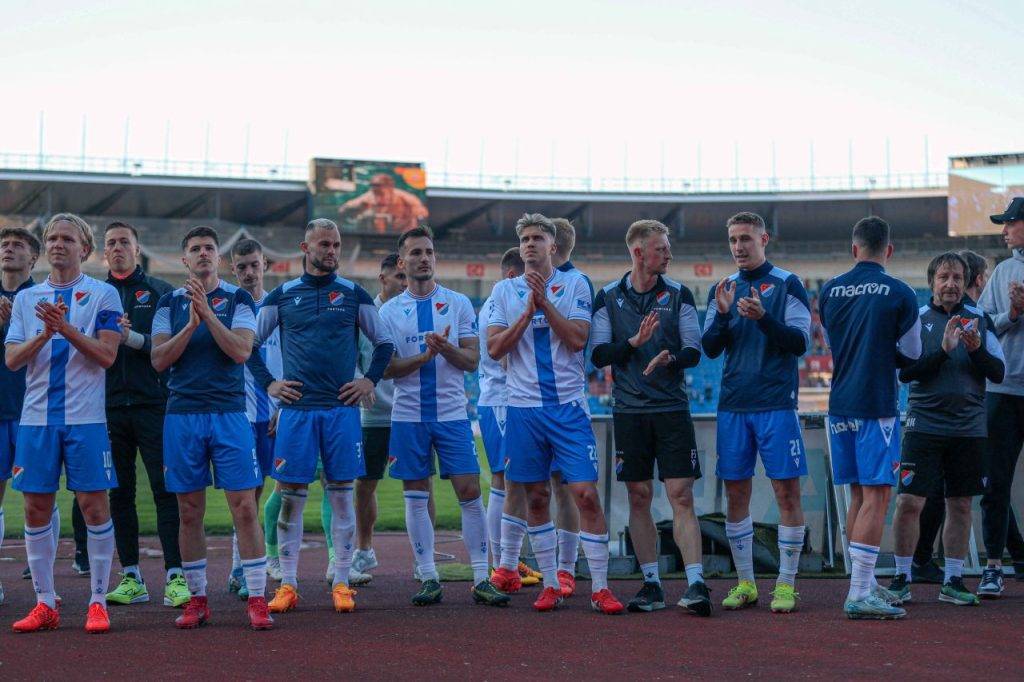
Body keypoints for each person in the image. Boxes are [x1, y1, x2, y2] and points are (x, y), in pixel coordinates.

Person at [253, 218, 394, 615]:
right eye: (324, 244)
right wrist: (270, 384)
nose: (332, 251)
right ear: (305, 248)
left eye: (336, 244)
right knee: (291, 499)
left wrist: (368, 381)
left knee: (342, 496)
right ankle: (289, 584)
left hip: (340, 412)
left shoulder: (354, 294)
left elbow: (384, 344)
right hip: (296, 412)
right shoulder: (282, 296)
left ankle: (343, 581)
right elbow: (250, 346)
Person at [487, 213, 624, 615]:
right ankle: (549, 583)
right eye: (525, 239)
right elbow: (495, 349)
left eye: (538, 238)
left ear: (553, 245)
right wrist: (527, 313)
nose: (530, 244)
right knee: (536, 496)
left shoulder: (575, 283)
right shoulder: (504, 291)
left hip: (567, 408)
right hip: (523, 410)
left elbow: (579, 339)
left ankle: (600, 588)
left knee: (585, 494)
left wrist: (544, 302)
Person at [379, 226, 509, 607]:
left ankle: (481, 577)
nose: (424, 258)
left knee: (469, 491)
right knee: (416, 494)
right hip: (408, 415)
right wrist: (424, 357)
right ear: (402, 261)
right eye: (416, 252)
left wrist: (445, 349)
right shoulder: (389, 312)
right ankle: (428, 576)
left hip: (452, 413)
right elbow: (387, 369)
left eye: (429, 252)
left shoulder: (458, 303)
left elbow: (471, 360)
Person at [6, 213, 123, 634]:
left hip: (86, 419)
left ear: (84, 249)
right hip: (36, 420)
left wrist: (64, 328)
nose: (58, 244)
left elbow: (107, 355)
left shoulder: (104, 294)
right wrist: (44, 334)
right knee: (35, 507)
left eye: (67, 239)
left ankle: (97, 602)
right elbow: (12, 359)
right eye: (53, 238)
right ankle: (44, 602)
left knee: (94, 506)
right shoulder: (27, 299)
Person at [151, 225, 271, 630]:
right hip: (183, 414)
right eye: (195, 248)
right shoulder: (169, 303)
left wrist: (207, 316)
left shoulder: (238, 299)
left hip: (229, 413)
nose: (203, 253)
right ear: (184, 259)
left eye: (208, 248)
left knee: (245, 506)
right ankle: (197, 600)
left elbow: (241, 350)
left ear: (218, 257)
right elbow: (158, 360)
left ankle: (258, 598)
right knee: (189, 511)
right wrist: (190, 325)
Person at [591, 219, 711, 616]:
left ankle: (696, 583)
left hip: (672, 409)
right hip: (629, 412)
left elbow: (695, 350)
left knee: (681, 495)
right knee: (638, 496)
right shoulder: (607, 296)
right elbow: (599, 355)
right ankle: (651, 584)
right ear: (639, 252)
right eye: (661, 248)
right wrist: (634, 343)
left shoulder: (679, 294)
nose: (669, 255)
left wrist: (670, 358)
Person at [701, 212, 811, 614]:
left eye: (746, 238)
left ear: (764, 239)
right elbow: (709, 348)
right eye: (733, 239)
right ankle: (746, 582)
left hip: (776, 405)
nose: (738, 246)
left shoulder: (788, 283)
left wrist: (764, 318)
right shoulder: (722, 288)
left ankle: (785, 584)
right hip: (734, 406)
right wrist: (724, 315)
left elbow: (800, 342)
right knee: (736, 493)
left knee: (787, 492)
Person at [819, 215, 921, 620]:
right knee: (877, 496)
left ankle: (862, 582)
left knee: (859, 496)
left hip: (840, 402)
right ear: (889, 250)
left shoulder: (830, 290)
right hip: (876, 403)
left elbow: (833, 343)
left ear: (854, 248)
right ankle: (860, 590)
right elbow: (912, 354)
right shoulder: (900, 291)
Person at [889, 252, 1004, 606]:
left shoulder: (980, 319)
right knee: (909, 502)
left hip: (968, 429)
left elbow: (998, 372)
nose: (951, 284)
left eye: (957, 277)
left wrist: (976, 350)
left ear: (965, 282)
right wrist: (942, 351)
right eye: (944, 277)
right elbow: (905, 373)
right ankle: (901, 577)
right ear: (932, 283)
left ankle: (953, 579)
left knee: (961, 504)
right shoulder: (917, 319)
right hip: (924, 426)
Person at [100, 221, 188, 609]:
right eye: (111, 243)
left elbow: (172, 348)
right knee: (119, 493)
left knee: (164, 489)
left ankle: (175, 575)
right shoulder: (95, 294)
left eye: (125, 242)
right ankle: (131, 576)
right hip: (108, 406)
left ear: (137, 249)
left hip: (154, 404)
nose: (118, 248)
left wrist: (131, 338)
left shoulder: (160, 292)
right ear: (104, 252)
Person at [480, 248, 545, 590]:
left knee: (512, 481)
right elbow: (503, 358)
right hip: (501, 401)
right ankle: (500, 561)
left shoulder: (495, 306)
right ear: (511, 277)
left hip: (505, 401)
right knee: (504, 480)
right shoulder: (501, 304)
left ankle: (506, 558)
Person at [224, 238, 283, 599]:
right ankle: (242, 569)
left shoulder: (280, 305)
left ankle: (276, 565)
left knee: (290, 490)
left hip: (278, 413)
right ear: (233, 269)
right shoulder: (228, 306)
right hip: (241, 415)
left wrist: (285, 406)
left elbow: (292, 357)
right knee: (248, 495)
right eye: (242, 266)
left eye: (254, 265)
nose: (249, 272)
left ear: (265, 265)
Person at [350, 253, 412, 582]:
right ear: (382, 279)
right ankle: (364, 549)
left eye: (406, 278)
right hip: (374, 413)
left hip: (411, 411)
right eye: (398, 277)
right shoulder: (365, 315)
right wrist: (361, 382)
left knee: (420, 483)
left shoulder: (413, 312)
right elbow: (352, 357)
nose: (404, 283)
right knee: (365, 483)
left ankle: (423, 556)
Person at [977, 197, 1024, 596]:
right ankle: (994, 565)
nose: (1004, 230)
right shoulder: (1004, 271)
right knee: (995, 483)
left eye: (1010, 223)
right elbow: (981, 325)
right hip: (1004, 391)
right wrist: (1012, 314)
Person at [0, 227, 42, 606]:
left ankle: (43, 579)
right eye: (5, 245)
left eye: (18, 245)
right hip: (0, 410)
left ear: (33, 257)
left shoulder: (41, 297)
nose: (9, 249)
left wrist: (20, 324)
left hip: (34, 409)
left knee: (41, 495)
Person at [338, 173, 428, 234]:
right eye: (375, 193)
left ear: (390, 188)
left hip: (403, 235)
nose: (377, 199)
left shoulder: (405, 197)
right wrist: (358, 207)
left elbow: (423, 212)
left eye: (381, 193)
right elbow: (343, 209)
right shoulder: (369, 196)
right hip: (379, 235)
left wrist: (408, 217)